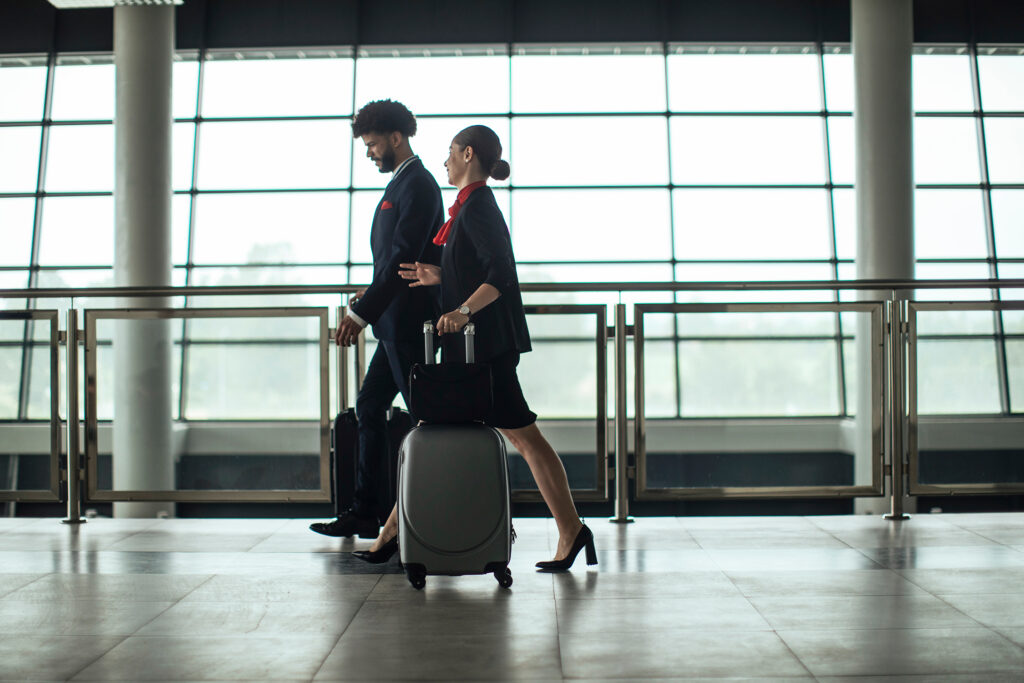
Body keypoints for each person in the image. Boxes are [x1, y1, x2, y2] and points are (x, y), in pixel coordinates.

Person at [353, 124, 596, 571]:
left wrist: (462, 310)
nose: (444, 161)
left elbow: (501, 273)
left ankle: (570, 529)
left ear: (468, 155)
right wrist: (440, 276)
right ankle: (391, 534)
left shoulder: (479, 205)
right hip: (477, 348)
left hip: (485, 348)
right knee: (471, 431)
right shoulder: (467, 208)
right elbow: (479, 268)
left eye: (450, 152)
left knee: (510, 436)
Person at [310, 100, 443, 539]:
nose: (369, 154)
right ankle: (369, 511)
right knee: (369, 407)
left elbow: (405, 259)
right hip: (393, 323)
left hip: (407, 325)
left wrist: (359, 313)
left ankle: (432, 513)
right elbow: (392, 262)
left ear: (395, 138)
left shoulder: (418, 186)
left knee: (427, 419)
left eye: (372, 145)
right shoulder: (401, 186)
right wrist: (370, 296)